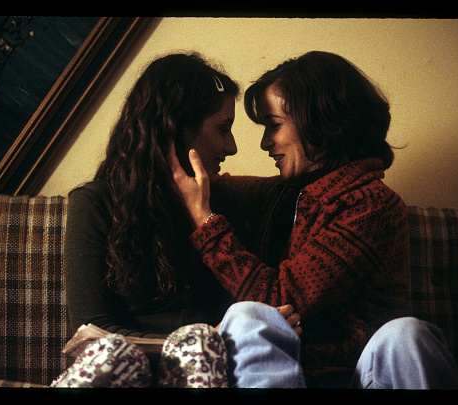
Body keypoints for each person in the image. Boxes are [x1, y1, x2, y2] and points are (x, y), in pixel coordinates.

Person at [171, 50, 458, 389]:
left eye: (274, 126)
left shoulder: (372, 206)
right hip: (289, 376)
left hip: (357, 378)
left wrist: (204, 220)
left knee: (407, 335)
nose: (265, 143)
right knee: (244, 318)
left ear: (321, 124)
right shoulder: (288, 193)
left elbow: (277, 299)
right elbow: (217, 186)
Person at [53, 52, 303, 388]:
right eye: (223, 129)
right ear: (177, 129)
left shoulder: (225, 202)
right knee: (112, 353)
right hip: (130, 373)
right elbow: (91, 332)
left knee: (227, 332)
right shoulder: (95, 204)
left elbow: (306, 184)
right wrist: (208, 336)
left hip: (210, 372)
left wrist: (204, 217)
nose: (231, 147)